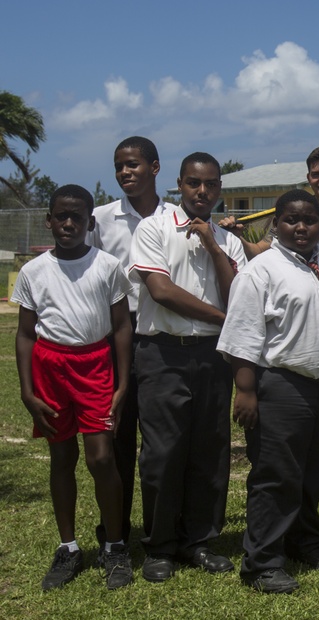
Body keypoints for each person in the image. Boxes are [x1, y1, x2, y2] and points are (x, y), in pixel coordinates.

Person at [218, 190, 319, 594]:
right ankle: (261, 562)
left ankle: (303, 540)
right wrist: (246, 390)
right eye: (291, 220)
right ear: (276, 224)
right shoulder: (262, 270)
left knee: (314, 471)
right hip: (281, 385)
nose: (300, 227)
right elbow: (243, 332)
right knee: (276, 475)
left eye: (309, 220)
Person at [129, 152, 247, 583]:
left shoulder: (228, 240)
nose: (202, 192)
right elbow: (160, 290)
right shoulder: (154, 228)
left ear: (219, 188)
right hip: (163, 353)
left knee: (208, 450)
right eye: (194, 183)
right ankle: (160, 546)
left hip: (213, 356)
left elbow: (236, 294)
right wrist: (221, 319)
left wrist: (214, 247)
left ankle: (199, 541)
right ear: (179, 183)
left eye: (211, 184)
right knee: (163, 452)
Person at [13, 185, 134, 590]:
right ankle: (68, 548)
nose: (68, 224)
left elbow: (121, 327)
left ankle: (115, 546)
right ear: (49, 220)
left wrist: (121, 383)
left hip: (95, 366)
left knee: (101, 459)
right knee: (61, 457)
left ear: (89, 222)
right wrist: (27, 392)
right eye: (61, 216)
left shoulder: (107, 265)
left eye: (76, 217)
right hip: (50, 368)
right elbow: (26, 334)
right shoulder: (34, 271)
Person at [90, 136, 179, 549]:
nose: (125, 173)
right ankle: (116, 530)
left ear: (155, 167)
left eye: (133, 165)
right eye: (119, 166)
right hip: (114, 340)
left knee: (161, 444)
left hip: (161, 339)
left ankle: (159, 530)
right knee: (118, 438)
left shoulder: (176, 218)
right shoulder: (100, 218)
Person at [227, 145, 319, 259]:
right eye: (316, 174)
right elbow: (257, 252)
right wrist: (236, 237)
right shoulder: (292, 217)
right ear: (308, 178)